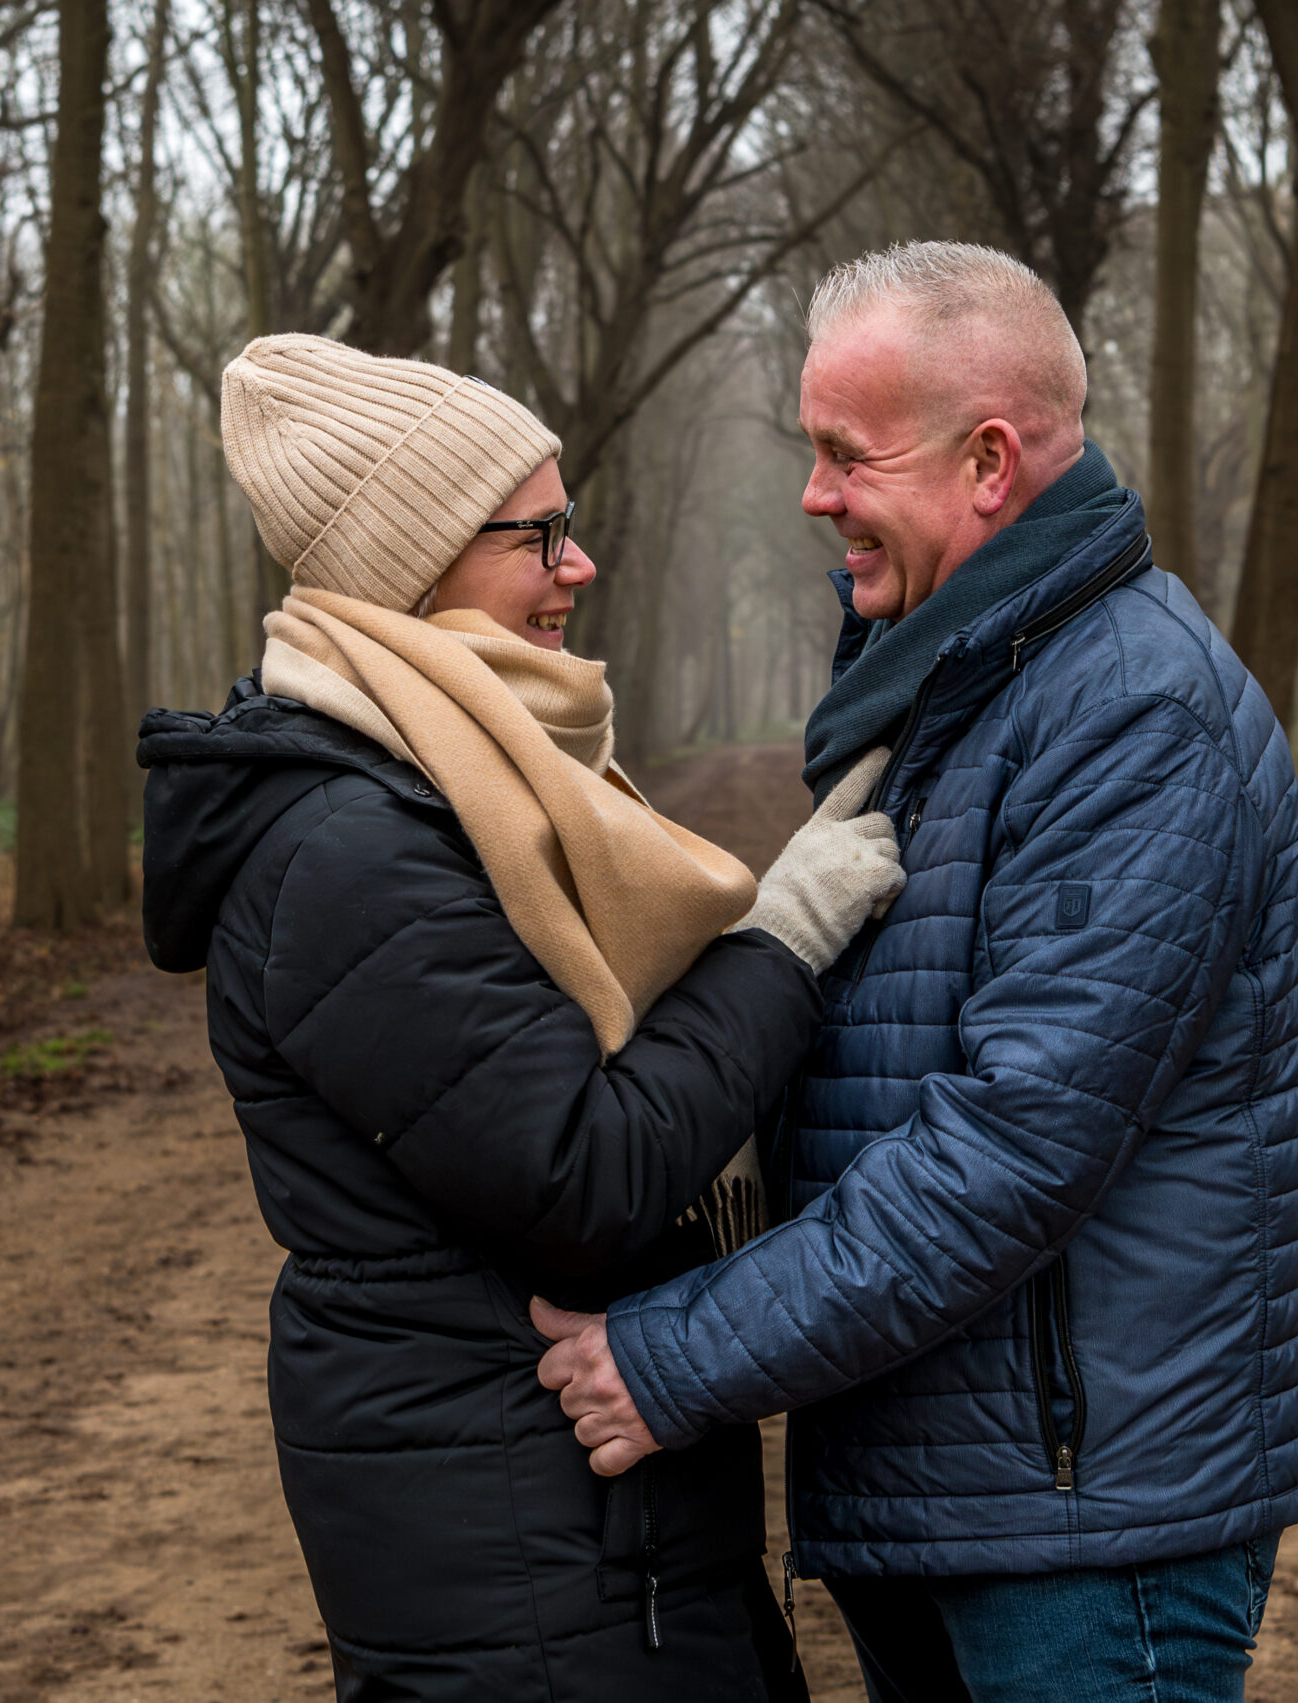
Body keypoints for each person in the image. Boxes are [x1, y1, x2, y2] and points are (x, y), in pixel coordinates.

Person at [534, 242, 1298, 1703]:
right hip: (953, 1487)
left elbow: (1010, 1146)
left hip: (1084, 1530)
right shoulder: (953, 682)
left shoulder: (1131, 711)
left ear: (988, 463)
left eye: (849, 454)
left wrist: (680, 1355)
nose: (814, 493)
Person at [137, 333, 907, 1701]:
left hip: (587, 1529)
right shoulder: (349, 854)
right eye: (538, 535)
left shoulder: (457, 792)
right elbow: (585, 1175)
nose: (579, 565)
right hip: (521, 1551)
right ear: (417, 558)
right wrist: (781, 944)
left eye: (573, 524)